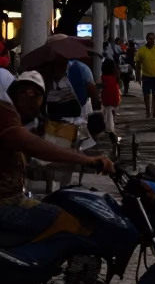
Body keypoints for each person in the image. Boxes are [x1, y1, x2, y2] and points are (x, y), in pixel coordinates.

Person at [0, 73, 113, 235]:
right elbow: (31, 145)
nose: (29, 98)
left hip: (18, 197)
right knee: (64, 220)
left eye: (35, 94)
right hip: (6, 204)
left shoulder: (32, 124)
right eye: (23, 92)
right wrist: (88, 160)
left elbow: (45, 156)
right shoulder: (5, 116)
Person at [135, 31, 155, 118]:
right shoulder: (141, 51)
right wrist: (137, 77)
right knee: (146, 95)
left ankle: (154, 111)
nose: (152, 41)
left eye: (153, 39)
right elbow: (138, 65)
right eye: (150, 39)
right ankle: (147, 111)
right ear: (147, 39)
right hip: (146, 76)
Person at [100, 57, 121, 141]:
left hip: (106, 98)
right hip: (115, 97)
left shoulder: (102, 78)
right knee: (112, 111)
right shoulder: (114, 77)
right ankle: (111, 125)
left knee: (106, 111)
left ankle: (108, 127)